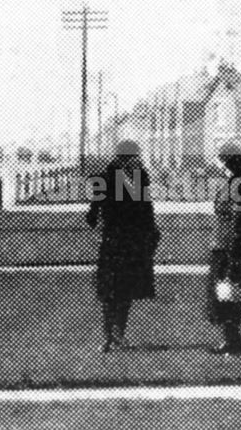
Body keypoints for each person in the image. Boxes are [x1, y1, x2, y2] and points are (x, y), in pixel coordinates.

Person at [85, 139, 161, 352]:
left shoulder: (105, 177)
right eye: (135, 157)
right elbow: (146, 209)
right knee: (120, 289)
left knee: (113, 289)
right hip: (129, 239)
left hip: (114, 240)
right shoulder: (137, 177)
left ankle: (111, 335)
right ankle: (115, 334)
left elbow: (91, 216)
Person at [207, 141, 241, 355]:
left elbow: (239, 218)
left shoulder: (238, 185)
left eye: (220, 159)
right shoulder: (231, 182)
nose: (218, 163)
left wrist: (234, 251)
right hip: (222, 244)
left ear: (227, 161)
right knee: (223, 292)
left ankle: (232, 340)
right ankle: (232, 338)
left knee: (229, 292)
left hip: (230, 246)